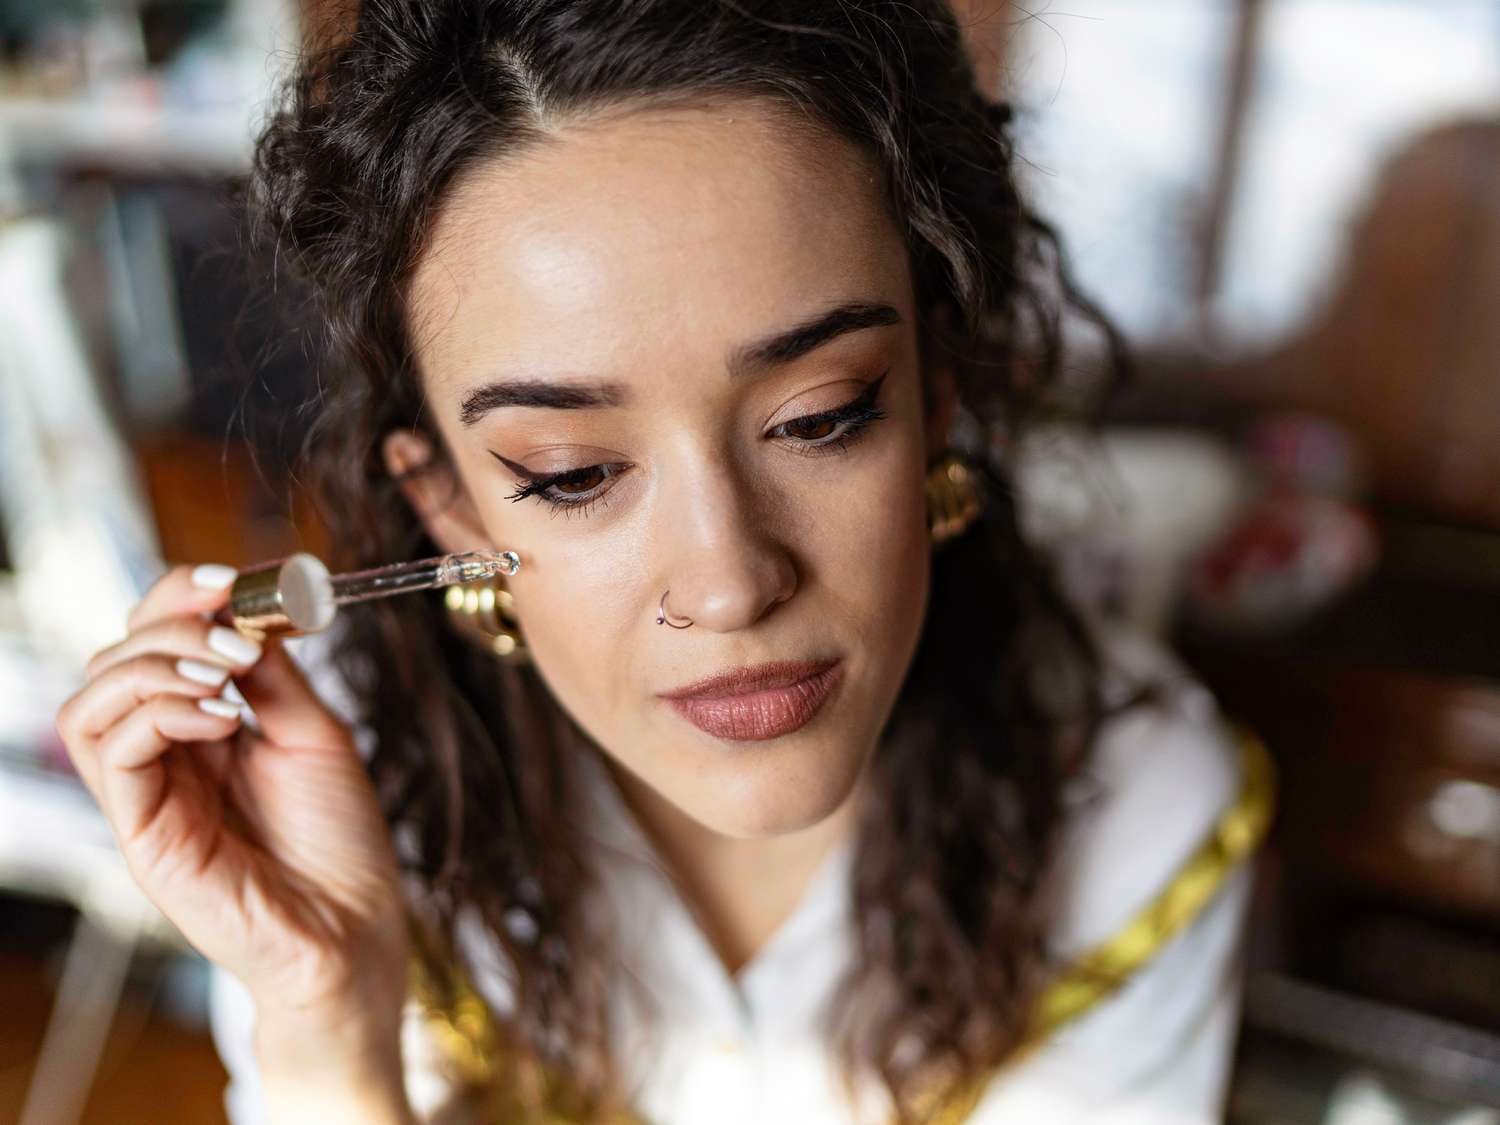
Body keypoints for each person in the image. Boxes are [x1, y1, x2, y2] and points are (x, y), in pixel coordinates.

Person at [54, 2, 1274, 1123]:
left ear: (938, 407)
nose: (731, 582)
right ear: (453, 509)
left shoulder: (1131, 801)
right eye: (575, 475)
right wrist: (329, 1030)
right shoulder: (335, 794)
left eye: (823, 416)